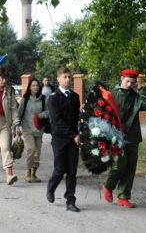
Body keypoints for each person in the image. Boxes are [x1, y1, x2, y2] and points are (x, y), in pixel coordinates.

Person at [102, 69, 146, 208]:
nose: (129, 84)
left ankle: (123, 196)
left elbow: (145, 106)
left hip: (133, 136)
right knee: (119, 165)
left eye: (132, 82)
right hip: (116, 136)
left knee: (130, 166)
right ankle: (108, 186)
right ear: (121, 78)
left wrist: (141, 89)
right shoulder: (112, 95)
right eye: (127, 81)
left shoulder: (136, 96)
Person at [46, 67, 81, 212]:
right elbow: (57, 121)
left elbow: (77, 118)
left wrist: (81, 132)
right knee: (60, 169)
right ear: (58, 79)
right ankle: (51, 187)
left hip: (73, 140)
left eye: (69, 77)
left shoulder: (75, 96)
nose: (67, 80)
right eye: (64, 77)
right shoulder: (53, 98)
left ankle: (70, 201)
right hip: (59, 139)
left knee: (72, 171)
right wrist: (74, 134)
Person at [17, 78, 49, 183]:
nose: (35, 87)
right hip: (27, 129)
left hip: (39, 129)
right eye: (33, 85)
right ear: (30, 87)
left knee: (37, 152)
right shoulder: (25, 99)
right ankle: (28, 172)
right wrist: (16, 127)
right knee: (31, 149)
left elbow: (48, 111)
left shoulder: (44, 99)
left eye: (37, 85)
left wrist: (42, 115)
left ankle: (34, 174)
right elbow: (18, 113)